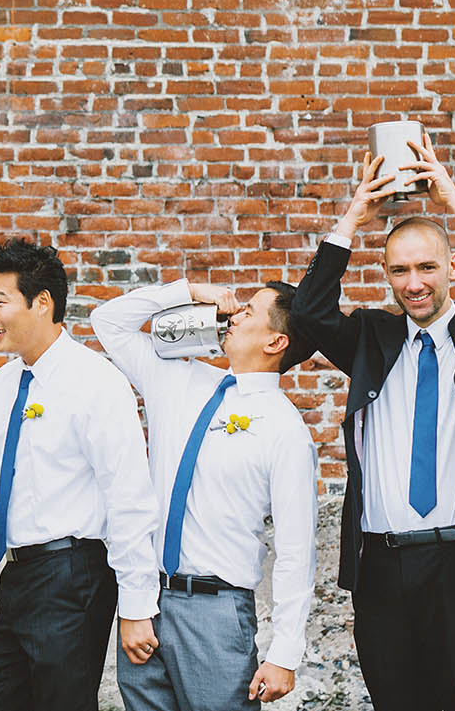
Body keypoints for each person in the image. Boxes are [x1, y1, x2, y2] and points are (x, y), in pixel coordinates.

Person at [289, 134, 455, 711]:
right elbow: (308, 312)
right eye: (400, 270)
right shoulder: (371, 339)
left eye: (427, 266)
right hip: (382, 568)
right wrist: (356, 213)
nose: (414, 283)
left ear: (454, 266)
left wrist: (451, 195)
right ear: (386, 274)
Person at [0, 238, 160, 711]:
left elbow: (129, 497)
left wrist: (136, 606)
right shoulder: (5, 382)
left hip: (74, 577)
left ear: (42, 302)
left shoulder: (97, 382)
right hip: (19, 577)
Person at [90, 278, 317, 709]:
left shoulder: (285, 429)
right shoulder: (176, 376)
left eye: (249, 312)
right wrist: (190, 293)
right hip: (144, 603)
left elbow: (296, 549)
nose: (234, 315)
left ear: (276, 341)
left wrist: (285, 653)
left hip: (216, 613)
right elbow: (108, 322)